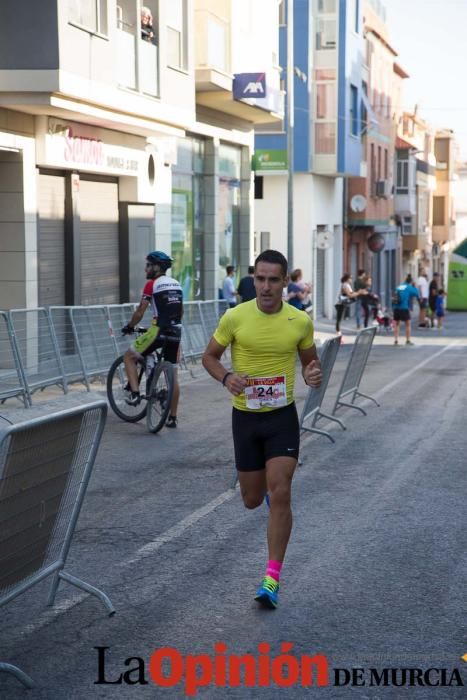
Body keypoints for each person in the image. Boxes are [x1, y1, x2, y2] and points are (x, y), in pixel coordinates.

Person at [202, 249, 322, 609]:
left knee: (282, 491)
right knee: (253, 500)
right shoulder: (235, 317)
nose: (266, 287)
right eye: (260, 279)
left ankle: (271, 579)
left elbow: (310, 365)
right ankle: (270, 498)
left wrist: (312, 375)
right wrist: (226, 377)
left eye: (273, 280)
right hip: (246, 418)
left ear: (285, 282)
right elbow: (209, 357)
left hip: (281, 418)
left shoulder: (299, 321)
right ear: (253, 279)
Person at [121, 251, 183, 428]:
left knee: (129, 357)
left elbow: (140, 311)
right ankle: (172, 417)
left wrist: (130, 326)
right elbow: (181, 311)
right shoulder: (177, 284)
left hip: (158, 331)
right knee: (173, 376)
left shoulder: (152, 284)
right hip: (176, 332)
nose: (145, 268)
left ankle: (134, 393)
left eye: (148, 265)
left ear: (156, 267)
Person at [392, 276, 419, 346]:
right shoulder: (409, 287)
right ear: (410, 282)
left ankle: (396, 340)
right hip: (404, 307)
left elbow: (395, 295)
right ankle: (408, 340)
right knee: (408, 324)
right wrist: (414, 286)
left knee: (397, 324)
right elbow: (416, 293)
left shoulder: (400, 286)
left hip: (396, 307)